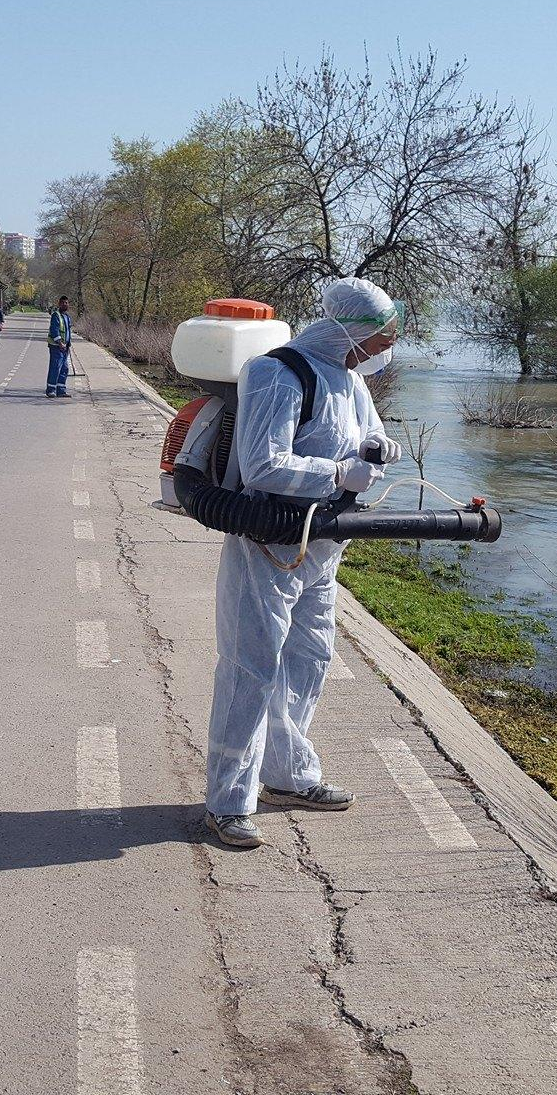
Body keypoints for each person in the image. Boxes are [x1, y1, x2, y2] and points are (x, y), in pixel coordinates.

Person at [203, 277, 403, 849]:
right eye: (382, 336)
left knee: (311, 658)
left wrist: (375, 453)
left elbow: (369, 437)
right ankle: (228, 802)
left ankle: (289, 777)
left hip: (322, 546)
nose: (386, 348)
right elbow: (263, 465)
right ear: (352, 330)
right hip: (269, 544)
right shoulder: (276, 373)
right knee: (251, 669)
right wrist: (336, 474)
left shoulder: (350, 381)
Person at [46, 296, 73, 396]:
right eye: (63, 303)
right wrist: (60, 342)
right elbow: (54, 330)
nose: (65, 304)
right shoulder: (56, 316)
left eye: (66, 303)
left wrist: (68, 343)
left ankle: (61, 390)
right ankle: (51, 390)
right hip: (56, 346)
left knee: (64, 368)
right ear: (59, 304)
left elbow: (68, 332)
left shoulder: (67, 317)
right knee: (55, 367)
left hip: (65, 347)